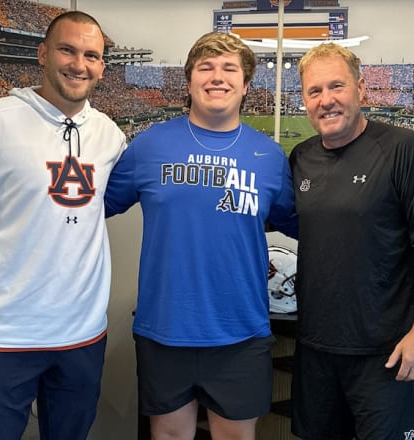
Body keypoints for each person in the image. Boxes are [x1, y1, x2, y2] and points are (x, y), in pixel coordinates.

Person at [0, 11, 126, 440]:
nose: (79, 63)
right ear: (43, 53)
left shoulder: (109, 134)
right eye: (67, 50)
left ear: (101, 67)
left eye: (91, 55)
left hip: (81, 333)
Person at [104, 32, 297, 439]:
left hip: (241, 331)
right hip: (165, 327)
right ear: (190, 80)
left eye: (230, 69)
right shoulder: (150, 145)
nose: (217, 77)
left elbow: (305, 223)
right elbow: (89, 210)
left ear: (246, 85)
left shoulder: (270, 157)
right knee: (170, 435)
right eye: (206, 68)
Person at [288, 42, 414, 440]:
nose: (326, 100)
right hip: (315, 347)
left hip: (386, 351)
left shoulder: (403, 149)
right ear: (304, 101)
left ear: (361, 89)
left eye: (336, 87)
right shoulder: (300, 157)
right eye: (314, 91)